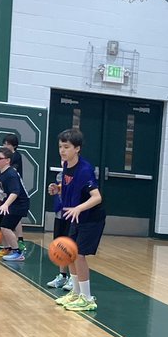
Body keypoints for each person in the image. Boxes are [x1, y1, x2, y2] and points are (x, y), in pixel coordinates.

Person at [50, 128, 105, 312]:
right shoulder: (67, 165)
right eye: (60, 146)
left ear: (77, 149)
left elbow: (97, 197)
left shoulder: (85, 170)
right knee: (71, 253)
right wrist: (58, 188)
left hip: (91, 218)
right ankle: (75, 292)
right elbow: (71, 186)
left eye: (66, 147)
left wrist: (79, 208)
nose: (62, 150)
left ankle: (87, 298)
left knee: (79, 255)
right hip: (77, 216)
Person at [0, 148, 29, 262]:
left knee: (6, 226)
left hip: (20, 204)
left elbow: (15, 192)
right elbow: (5, 190)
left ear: (7, 160)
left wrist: (6, 205)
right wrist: (1, 201)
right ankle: (7, 248)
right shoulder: (0, 172)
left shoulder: (11, 174)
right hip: (10, 201)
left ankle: (18, 253)